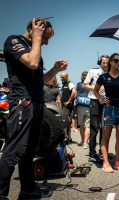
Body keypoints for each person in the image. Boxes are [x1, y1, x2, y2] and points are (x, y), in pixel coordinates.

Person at [0, 18, 68, 199]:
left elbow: (40, 81)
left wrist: (54, 70)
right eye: (45, 37)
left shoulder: (36, 50)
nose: (46, 42)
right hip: (23, 102)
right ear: (33, 29)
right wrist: (37, 37)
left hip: (36, 102)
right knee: (14, 149)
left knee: (29, 149)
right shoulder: (14, 41)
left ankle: (28, 189)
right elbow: (31, 63)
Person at [94, 53, 119, 173]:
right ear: (110, 61)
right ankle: (105, 162)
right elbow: (95, 90)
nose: (118, 63)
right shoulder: (103, 77)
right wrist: (100, 99)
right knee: (106, 137)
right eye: (116, 60)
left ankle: (117, 161)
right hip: (109, 109)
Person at [84, 54, 109, 162]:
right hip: (94, 100)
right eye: (103, 62)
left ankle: (102, 152)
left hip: (106, 101)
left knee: (105, 128)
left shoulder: (111, 73)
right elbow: (85, 85)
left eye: (107, 63)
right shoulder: (92, 71)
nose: (105, 64)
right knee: (94, 127)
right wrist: (96, 88)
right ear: (100, 62)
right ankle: (92, 153)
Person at [60, 70, 77, 143]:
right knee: (67, 121)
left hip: (67, 106)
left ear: (67, 77)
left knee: (65, 121)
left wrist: (69, 101)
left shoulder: (70, 83)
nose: (61, 78)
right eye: (61, 77)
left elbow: (74, 92)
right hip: (64, 106)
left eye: (63, 77)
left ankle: (66, 137)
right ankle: (69, 137)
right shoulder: (63, 84)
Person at [76, 71, 90, 149]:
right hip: (89, 105)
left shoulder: (78, 84)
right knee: (87, 125)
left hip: (80, 106)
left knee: (81, 125)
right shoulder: (91, 84)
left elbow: (75, 93)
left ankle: (82, 141)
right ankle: (85, 142)